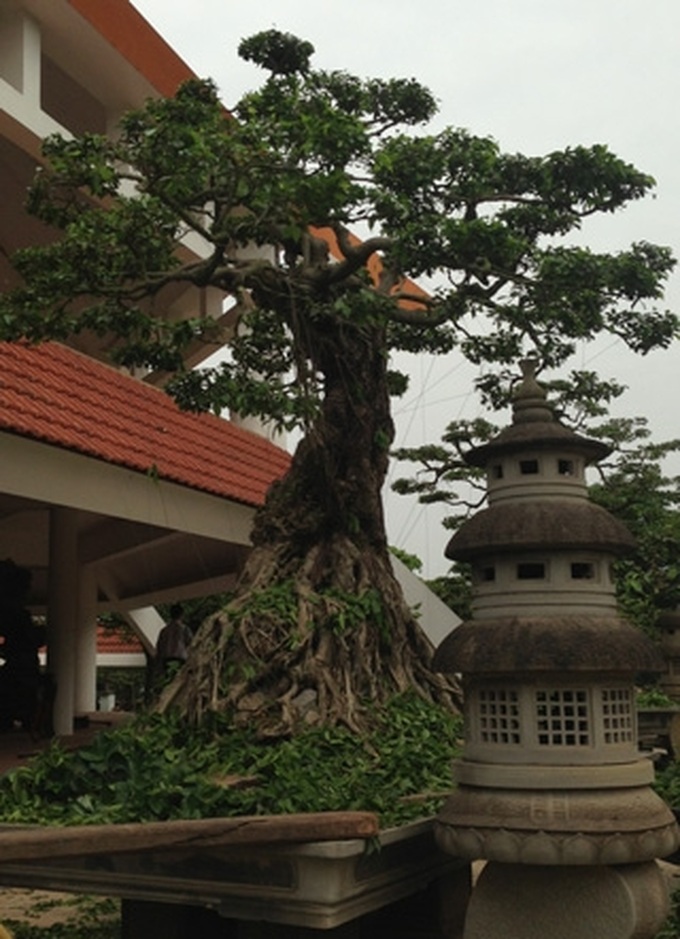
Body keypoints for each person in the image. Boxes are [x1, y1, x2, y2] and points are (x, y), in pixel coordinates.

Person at [0, 559, 45, 731]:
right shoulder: (15, 614)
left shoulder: (16, 615)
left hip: (22, 667)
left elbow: (27, 638)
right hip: (22, 666)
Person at [154, 603, 192, 685]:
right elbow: (190, 643)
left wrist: (158, 664)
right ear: (182, 615)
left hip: (167, 660)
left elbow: (159, 647)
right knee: (180, 682)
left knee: (169, 682)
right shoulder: (185, 629)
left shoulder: (164, 631)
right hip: (181, 659)